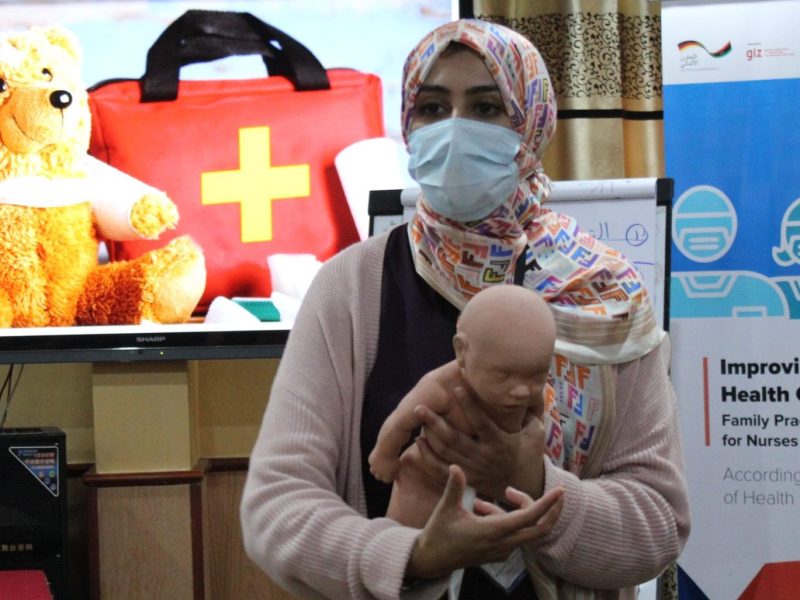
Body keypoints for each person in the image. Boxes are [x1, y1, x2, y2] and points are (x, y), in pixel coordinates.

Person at [241, 18, 690, 600]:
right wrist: (413, 555)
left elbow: (658, 521)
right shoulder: (351, 286)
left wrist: (531, 483)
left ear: (531, 124)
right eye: (431, 108)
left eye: (485, 108)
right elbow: (276, 508)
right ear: (407, 123)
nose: (454, 131)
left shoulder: (603, 291)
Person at [369, 284, 557, 531]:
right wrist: (384, 454)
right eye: (503, 375)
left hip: (494, 483)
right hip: (429, 478)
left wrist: (526, 462)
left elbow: (535, 425)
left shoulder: (528, 390)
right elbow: (401, 422)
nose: (522, 391)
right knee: (411, 533)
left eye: (536, 375)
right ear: (462, 351)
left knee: (491, 537)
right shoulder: (441, 386)